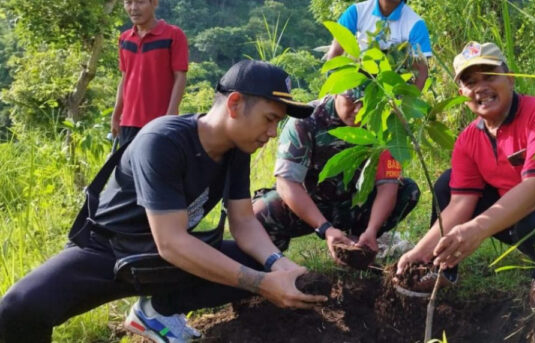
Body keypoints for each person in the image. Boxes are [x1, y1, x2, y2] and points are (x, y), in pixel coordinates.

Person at [0, 60, 326, 343]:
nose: (272, 132)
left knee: (259, 258)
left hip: (166, 257)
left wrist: (278, 266)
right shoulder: (163, 140)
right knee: (17, 309)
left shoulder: (238, 148)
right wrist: (262, 284)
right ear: (235, 103)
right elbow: (171, 242)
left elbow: (243, 221)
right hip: (108, 253)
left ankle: (157, 311)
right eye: (269, 118)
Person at [396, 42, 535, 310]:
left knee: (532, 217)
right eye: (471, 82)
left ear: (510, 79)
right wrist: (420, 252)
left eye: (489, 76)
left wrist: (477, 229)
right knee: (447, 185)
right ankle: (440, 268)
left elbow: (533, 191)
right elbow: (460, 204)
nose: (480, 88)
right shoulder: (468, 139)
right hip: (524, 220)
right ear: (461, 92)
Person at [252, 87, 420, 264]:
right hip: (312, 205)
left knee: (409, 191)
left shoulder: (385, 123)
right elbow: (286, 184)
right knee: (261, 212)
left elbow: (388, 186)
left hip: (353, 204)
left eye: (366, 103)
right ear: (335, 91)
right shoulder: (306, 120)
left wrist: (372, 229)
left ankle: (357, 245)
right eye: (351, 102)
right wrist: (325, 228)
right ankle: (271, 262)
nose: (358, 110)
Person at [111, 0, 189, 145]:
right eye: (128, 2)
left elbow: (180, 76)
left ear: (154, 3)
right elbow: (125, 78)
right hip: (128, 122)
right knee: (126, 167)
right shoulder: (124, 38)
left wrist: (170, 116)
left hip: (159, 123)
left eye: (140, 2)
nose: (133, 8)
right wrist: (116, 115)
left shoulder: (173, 35)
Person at [326, 0, 432, 90]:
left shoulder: (415, 24)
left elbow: (421, 73)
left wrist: (404, 103)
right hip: (359, 80)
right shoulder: (356, 12)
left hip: (394, 86)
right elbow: (334, 57)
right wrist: (337, 93)